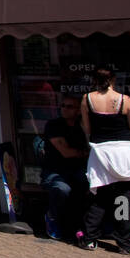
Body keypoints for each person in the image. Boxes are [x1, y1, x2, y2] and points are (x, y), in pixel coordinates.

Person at [79, 66, 130, 254]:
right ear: (114, 80)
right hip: (124, 151)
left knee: (99, 196)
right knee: (124, 197)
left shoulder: (87, 99)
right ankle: (124, 242)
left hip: (100, 151)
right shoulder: (125, 100)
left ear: (94, 80)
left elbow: (87, 127)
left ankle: (90, 238)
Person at [41, 95, 89, 240]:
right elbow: (66, 152)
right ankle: (52, 217)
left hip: (78, 169)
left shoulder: (83, 126)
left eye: (70, 106)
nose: (64, 109)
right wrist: (85, 153)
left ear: (79, 111)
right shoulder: (54, 125)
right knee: (62, 188)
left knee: (91, 184)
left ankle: (86, 224)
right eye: (62, 106)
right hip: (55, 170)